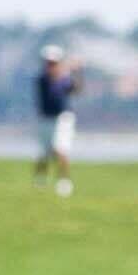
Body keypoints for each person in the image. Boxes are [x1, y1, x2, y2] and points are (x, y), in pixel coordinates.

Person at [32, 45, 81, 197]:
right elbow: (53, 86)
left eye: (53, 62)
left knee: (60, 149)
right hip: (46, 118)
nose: (50, 65)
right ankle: (40, 179)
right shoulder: (42, 80)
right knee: (44, 152)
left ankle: (64, 181)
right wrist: (68, 69)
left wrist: (75, 72)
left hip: (62, 119)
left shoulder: (65, 78)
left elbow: (76, 89)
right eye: (49, 62)